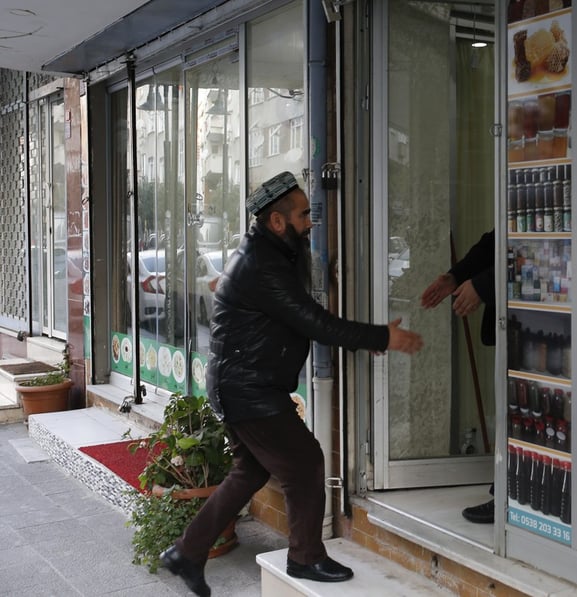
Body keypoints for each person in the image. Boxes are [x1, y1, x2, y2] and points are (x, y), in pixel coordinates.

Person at [160, 171, 424, 597]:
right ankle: (305, 558)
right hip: (249, 390)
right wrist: (382, 337)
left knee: (250, 471)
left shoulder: (269, 257)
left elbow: (306, 319)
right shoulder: (262, 266)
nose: (310, 222)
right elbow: (313, 322)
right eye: (303, 215)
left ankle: (187, 553)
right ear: (277, 222)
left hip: (243, 384)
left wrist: (366, 338)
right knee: (305, 463)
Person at [420, 229, 496, 524]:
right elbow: (497, 240)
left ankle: (511, 497)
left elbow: (537, 248)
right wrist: (457, 276)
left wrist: (483, 285)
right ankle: (507, 493)